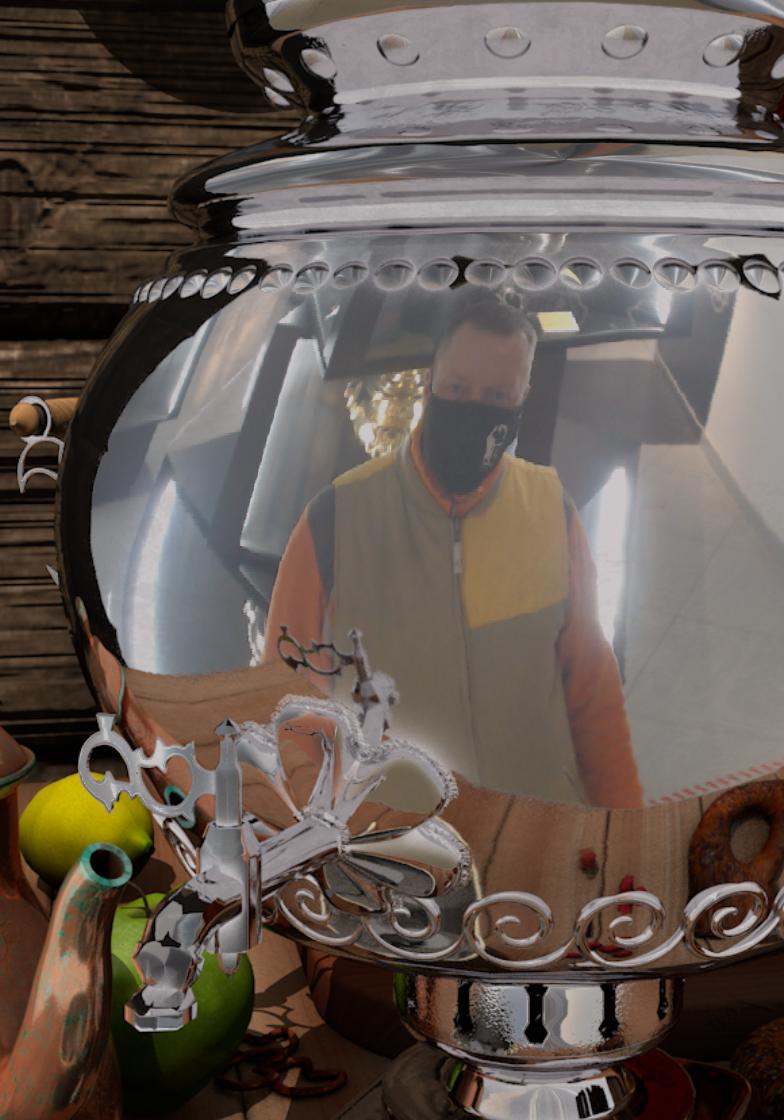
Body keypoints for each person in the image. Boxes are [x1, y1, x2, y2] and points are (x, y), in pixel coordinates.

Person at [264, 295, 643, 808]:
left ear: (523, 397)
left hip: (538, 827)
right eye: (459, 389)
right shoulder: (333, 520)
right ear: (430, 382)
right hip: (393, 840)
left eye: (498, 395)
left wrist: (623, 828)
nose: (474, 409)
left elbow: (593, 697)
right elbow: (286, 711)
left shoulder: (553, 511)